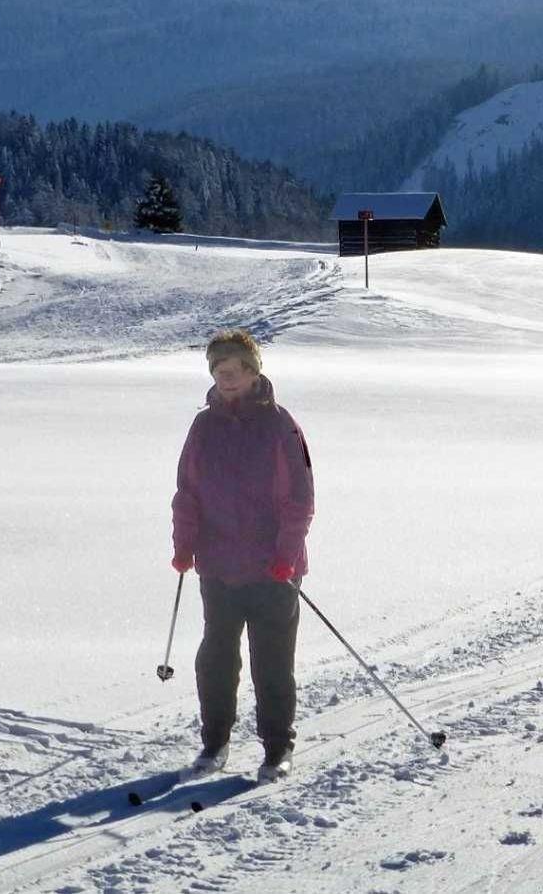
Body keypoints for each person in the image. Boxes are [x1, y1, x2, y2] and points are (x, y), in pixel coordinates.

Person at [170, 328, 314, 783]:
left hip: (274, 569)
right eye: (218, 370)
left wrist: (286, 555)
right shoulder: (203, 427)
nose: (226, 377)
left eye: (234, 369)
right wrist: (184, 544)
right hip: (218, 566)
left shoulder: (280, 425)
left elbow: (299, 499)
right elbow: (188, 492)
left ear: (253, 372)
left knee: (271, 663)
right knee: (215, 659)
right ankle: (215, 744)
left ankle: (277, 749)